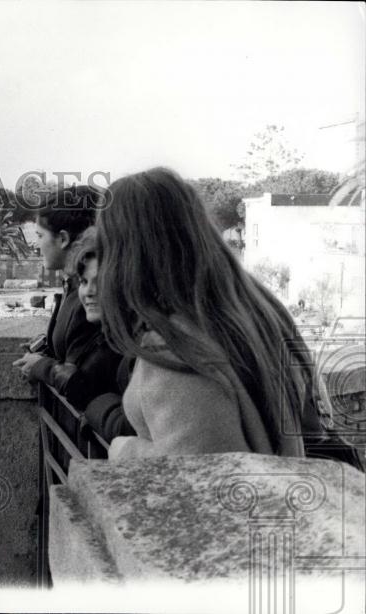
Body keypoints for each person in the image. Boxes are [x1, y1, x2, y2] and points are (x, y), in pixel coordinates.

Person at [96, 167, 361, 468]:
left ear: (123, 252)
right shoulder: (258, 307)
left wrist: (126, 451)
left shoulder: (176, 343)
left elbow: (203, 475)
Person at [13, 185, 103, 398]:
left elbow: (84, 383)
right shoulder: (75, 288)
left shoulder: (87, 300)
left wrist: (43, 366)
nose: (36, 244)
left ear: (63, 239)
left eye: (40, 235)